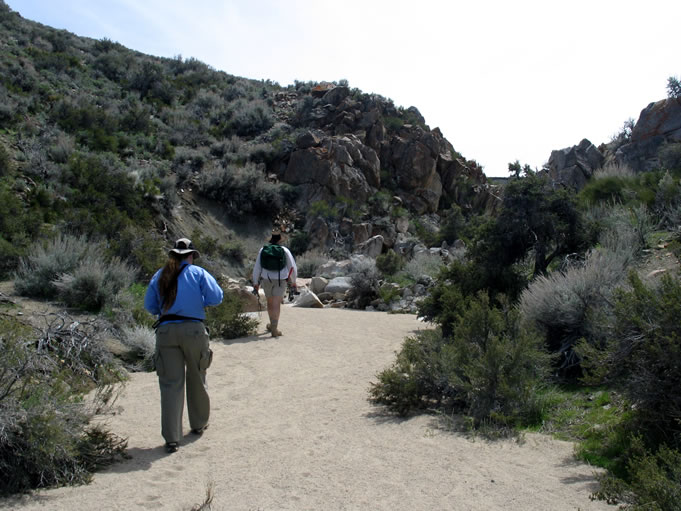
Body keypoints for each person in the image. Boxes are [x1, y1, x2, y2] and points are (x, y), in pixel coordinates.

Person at [144, 238, 223, 453]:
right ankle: (198, 424)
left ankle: (172, 438)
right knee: (197, 376)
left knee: (170, 384)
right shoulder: (198, 273)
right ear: (190, 255)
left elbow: (149, 305)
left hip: (166, 331)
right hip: (194, 330)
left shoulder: (159, 275)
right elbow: (217, 297)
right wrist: (200, 302)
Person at [252, 230, 297, 338]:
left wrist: (255, 282)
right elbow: (292, 267)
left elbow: (257, 267)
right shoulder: (284, 250)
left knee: (270, 303)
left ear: (271, 240)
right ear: (280, 241)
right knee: (277, 303)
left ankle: (272, 325)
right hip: (280, 280)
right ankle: (274, 328)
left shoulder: (263, 250)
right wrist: (294, 281)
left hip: (266, 279)